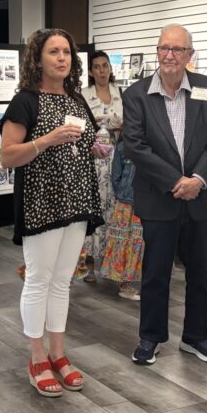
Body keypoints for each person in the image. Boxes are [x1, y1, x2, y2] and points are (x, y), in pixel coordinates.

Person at [0, 28, 105, 397]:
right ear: (38, 59)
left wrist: (96, 148)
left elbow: (86, 139)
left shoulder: (77, 100)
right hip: (41, 201)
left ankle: (59, 353)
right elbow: (8, 155)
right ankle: (37, 356)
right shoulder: (24, 102)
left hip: (77, 200)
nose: (62, 58)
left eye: (66, 52)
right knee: (39, 279)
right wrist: (46, 140)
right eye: (54, 52)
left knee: (63, 280)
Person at [123, 24, 207, 365]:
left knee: (201, 273)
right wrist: (177, 181)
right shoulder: (137, 94)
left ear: (189, 55)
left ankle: (196, 338)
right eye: (164, 48)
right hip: (159, 196)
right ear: (157, 51)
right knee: (155, 273)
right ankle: (150, 338)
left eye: (177, 50)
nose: (169, 55)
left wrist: (197, 179)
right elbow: (136, 147)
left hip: (202, 196)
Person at [78, 50, 123, 283]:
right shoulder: (84, 95)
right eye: (97, 67)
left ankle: (111, 261)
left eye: (105, 66)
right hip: (93, 161)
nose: (102, 70)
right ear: (91, 71)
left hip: (116, 160)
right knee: (94, 208)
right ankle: (89, 263)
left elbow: (126, 123)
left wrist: (110, 124)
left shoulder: (120, 93)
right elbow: (80, 126)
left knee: (113, 208)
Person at [100, 138, 145, 300]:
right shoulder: (123, 147)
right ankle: (125, 283)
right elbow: (116, 176)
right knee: (124, 242)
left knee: (139, 243)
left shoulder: (154, 144)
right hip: (126, 202)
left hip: (146, 202)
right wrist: (122, 195)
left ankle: (134, 283)